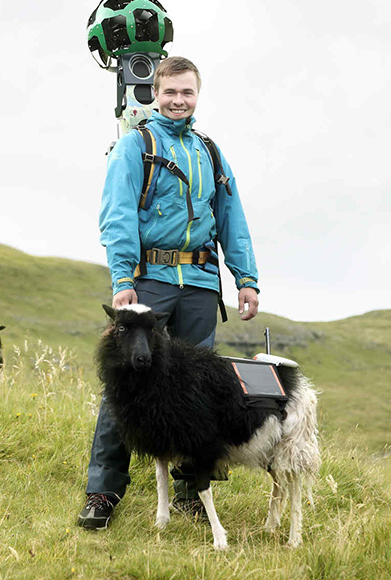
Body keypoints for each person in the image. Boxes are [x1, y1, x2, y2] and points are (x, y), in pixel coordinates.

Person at [77, 56, 260, 530]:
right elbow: (117, 215)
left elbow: (232, 219)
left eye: (188, 93)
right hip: (150, 285)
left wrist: (246, 278)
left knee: (197, 394)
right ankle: (103, 491)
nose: (179, 101)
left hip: (200, 286)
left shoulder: (211, 153)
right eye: (171, 92)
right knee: (127, 390)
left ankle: (190, 493)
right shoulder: (135, 147)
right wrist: (122, 280)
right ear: (155, 93)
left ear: (198, 95)